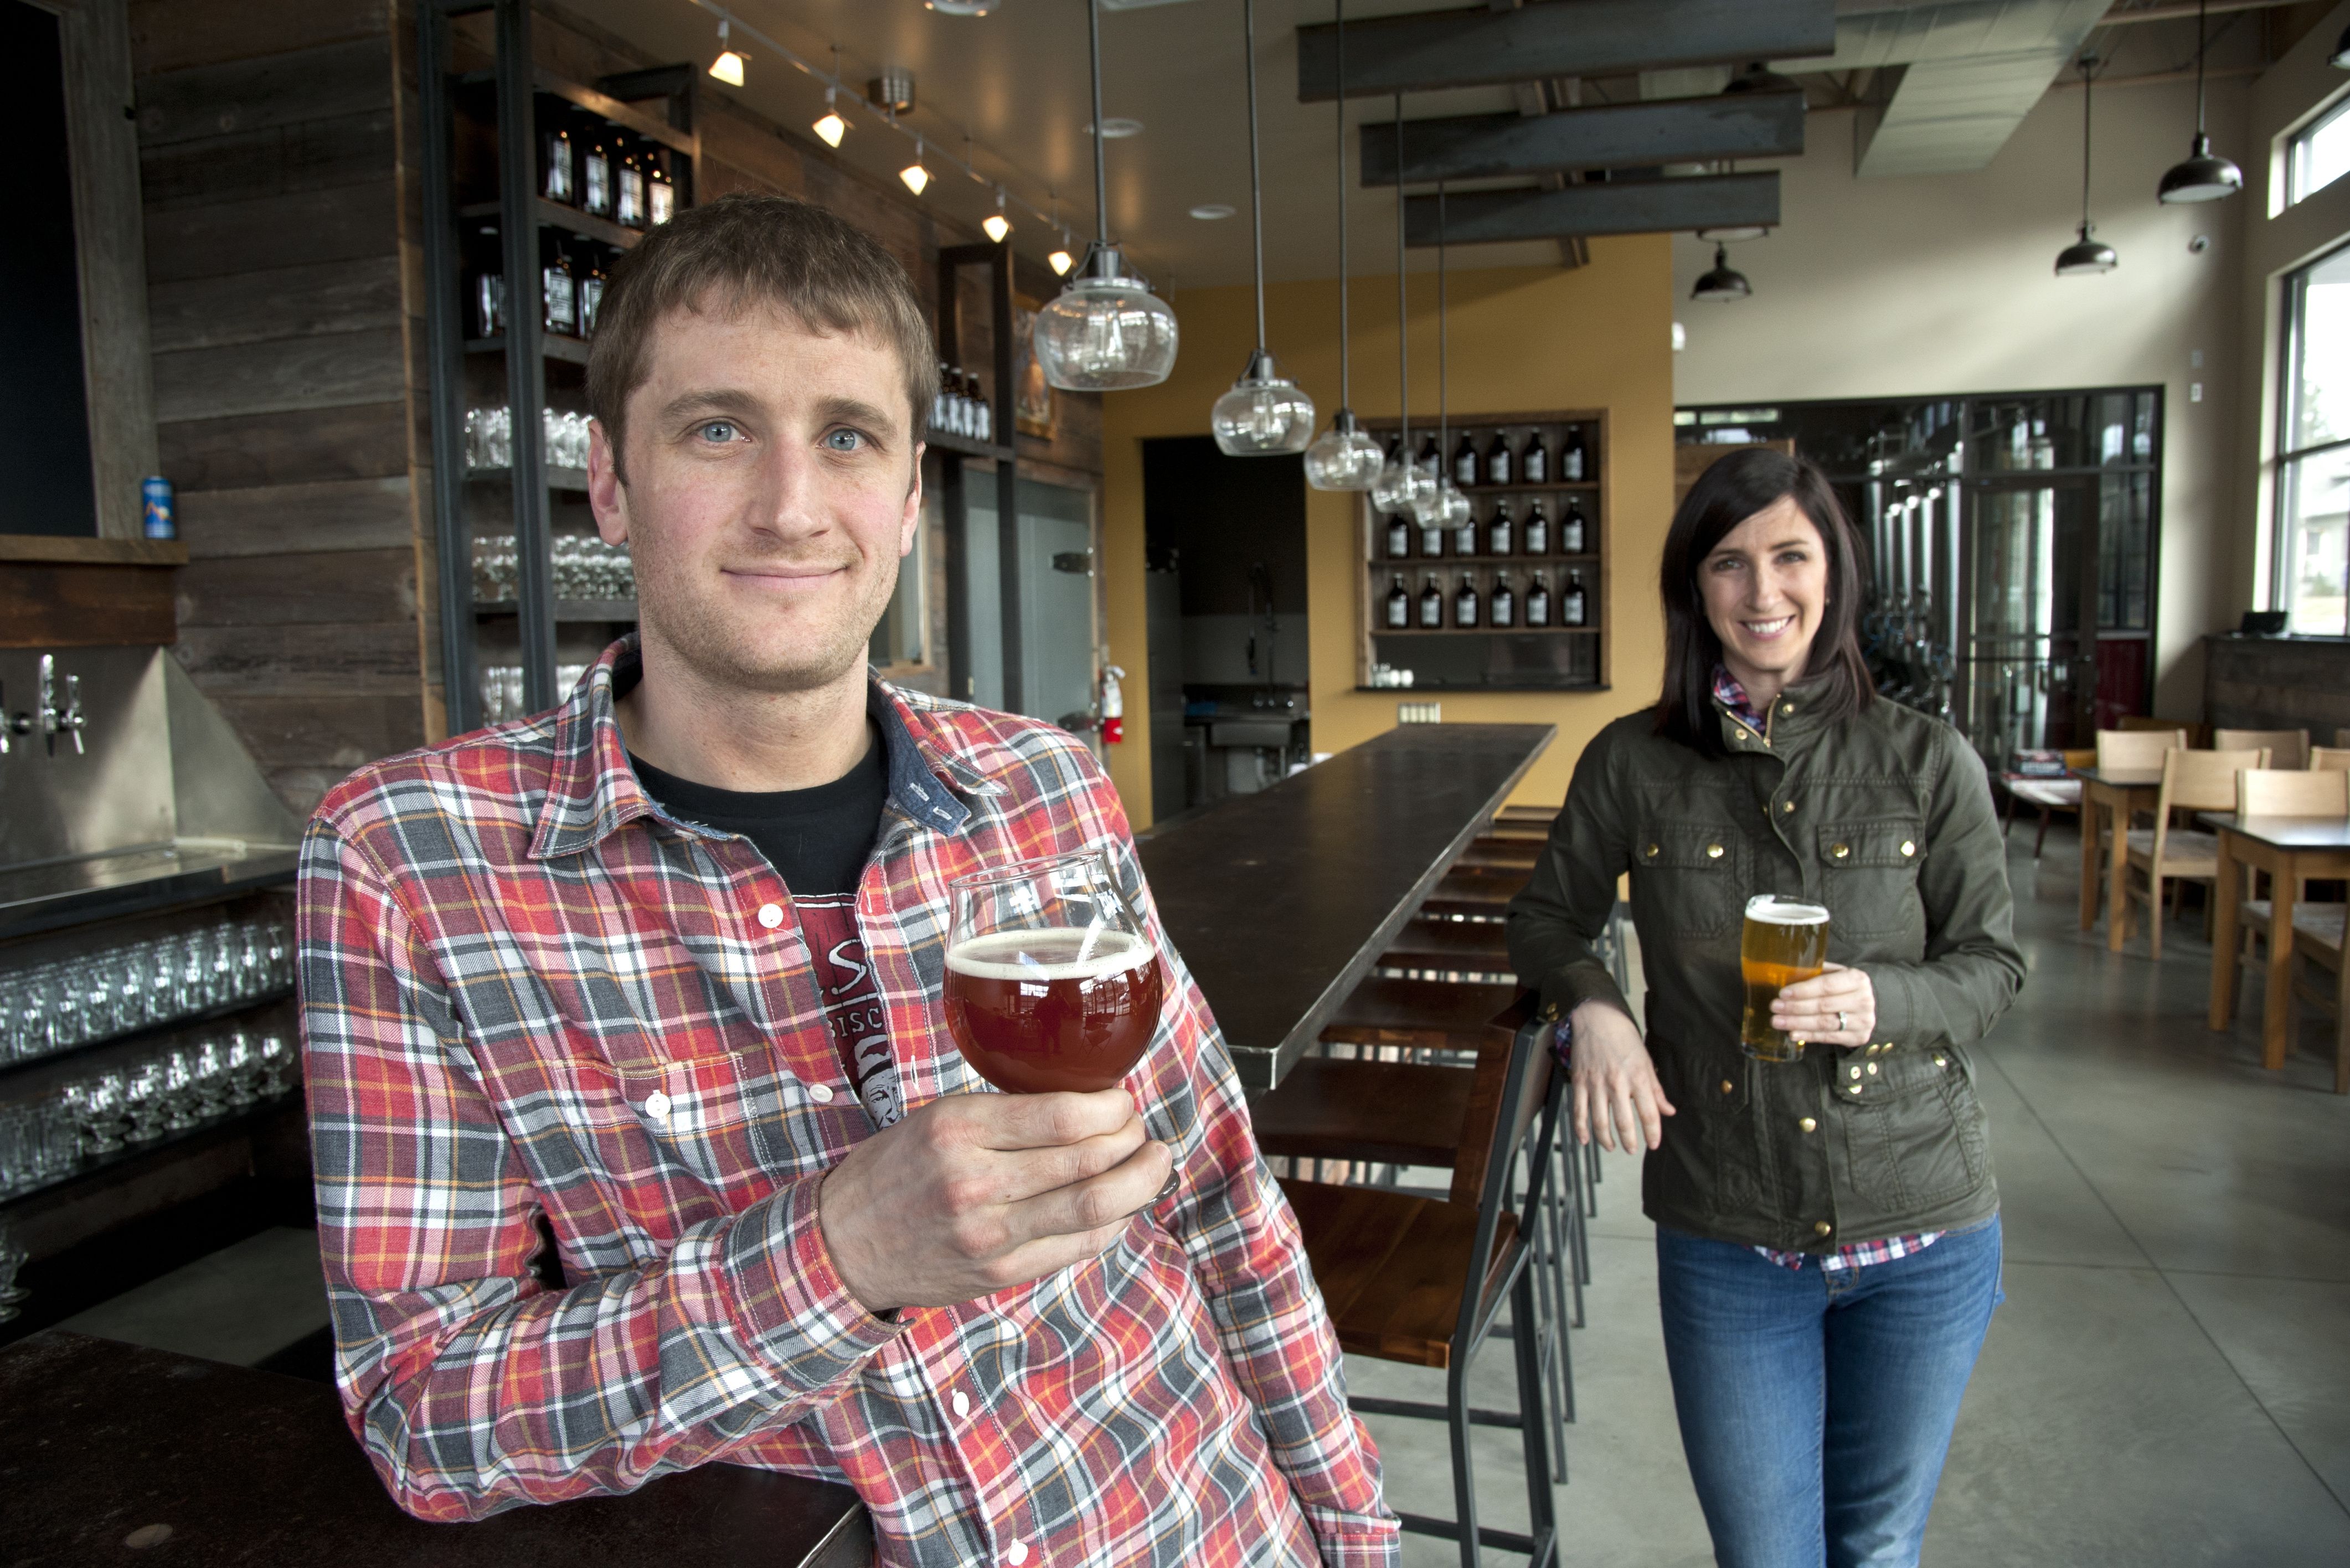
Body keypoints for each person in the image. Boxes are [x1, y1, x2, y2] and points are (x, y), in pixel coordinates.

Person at [297, 194, 1396, 1568]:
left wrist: (1350, 1529)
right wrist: (840, 1255)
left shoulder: (1040, 786)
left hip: (1199, 1517)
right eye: (717, 429)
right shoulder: (410, 862)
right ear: (610, 482)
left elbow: (1220, 1194)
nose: (790, 506)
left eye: (846, 437)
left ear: (907, 500)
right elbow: (425, 1412)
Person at [1506, 448, 2024, 1568]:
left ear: (1831, 572)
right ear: (1695, 589)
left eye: (1790, 556)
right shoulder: (1632, 764)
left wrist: (1880, 999)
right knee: (1765, 1556)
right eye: (1729, 564)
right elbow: (1545, 919)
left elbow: (1993, 967)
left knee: (1877, 1543)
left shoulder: (1927, 761)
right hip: (1728, 1231)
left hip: (1922, 1219)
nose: (1762, 592)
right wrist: (1594, 1004)